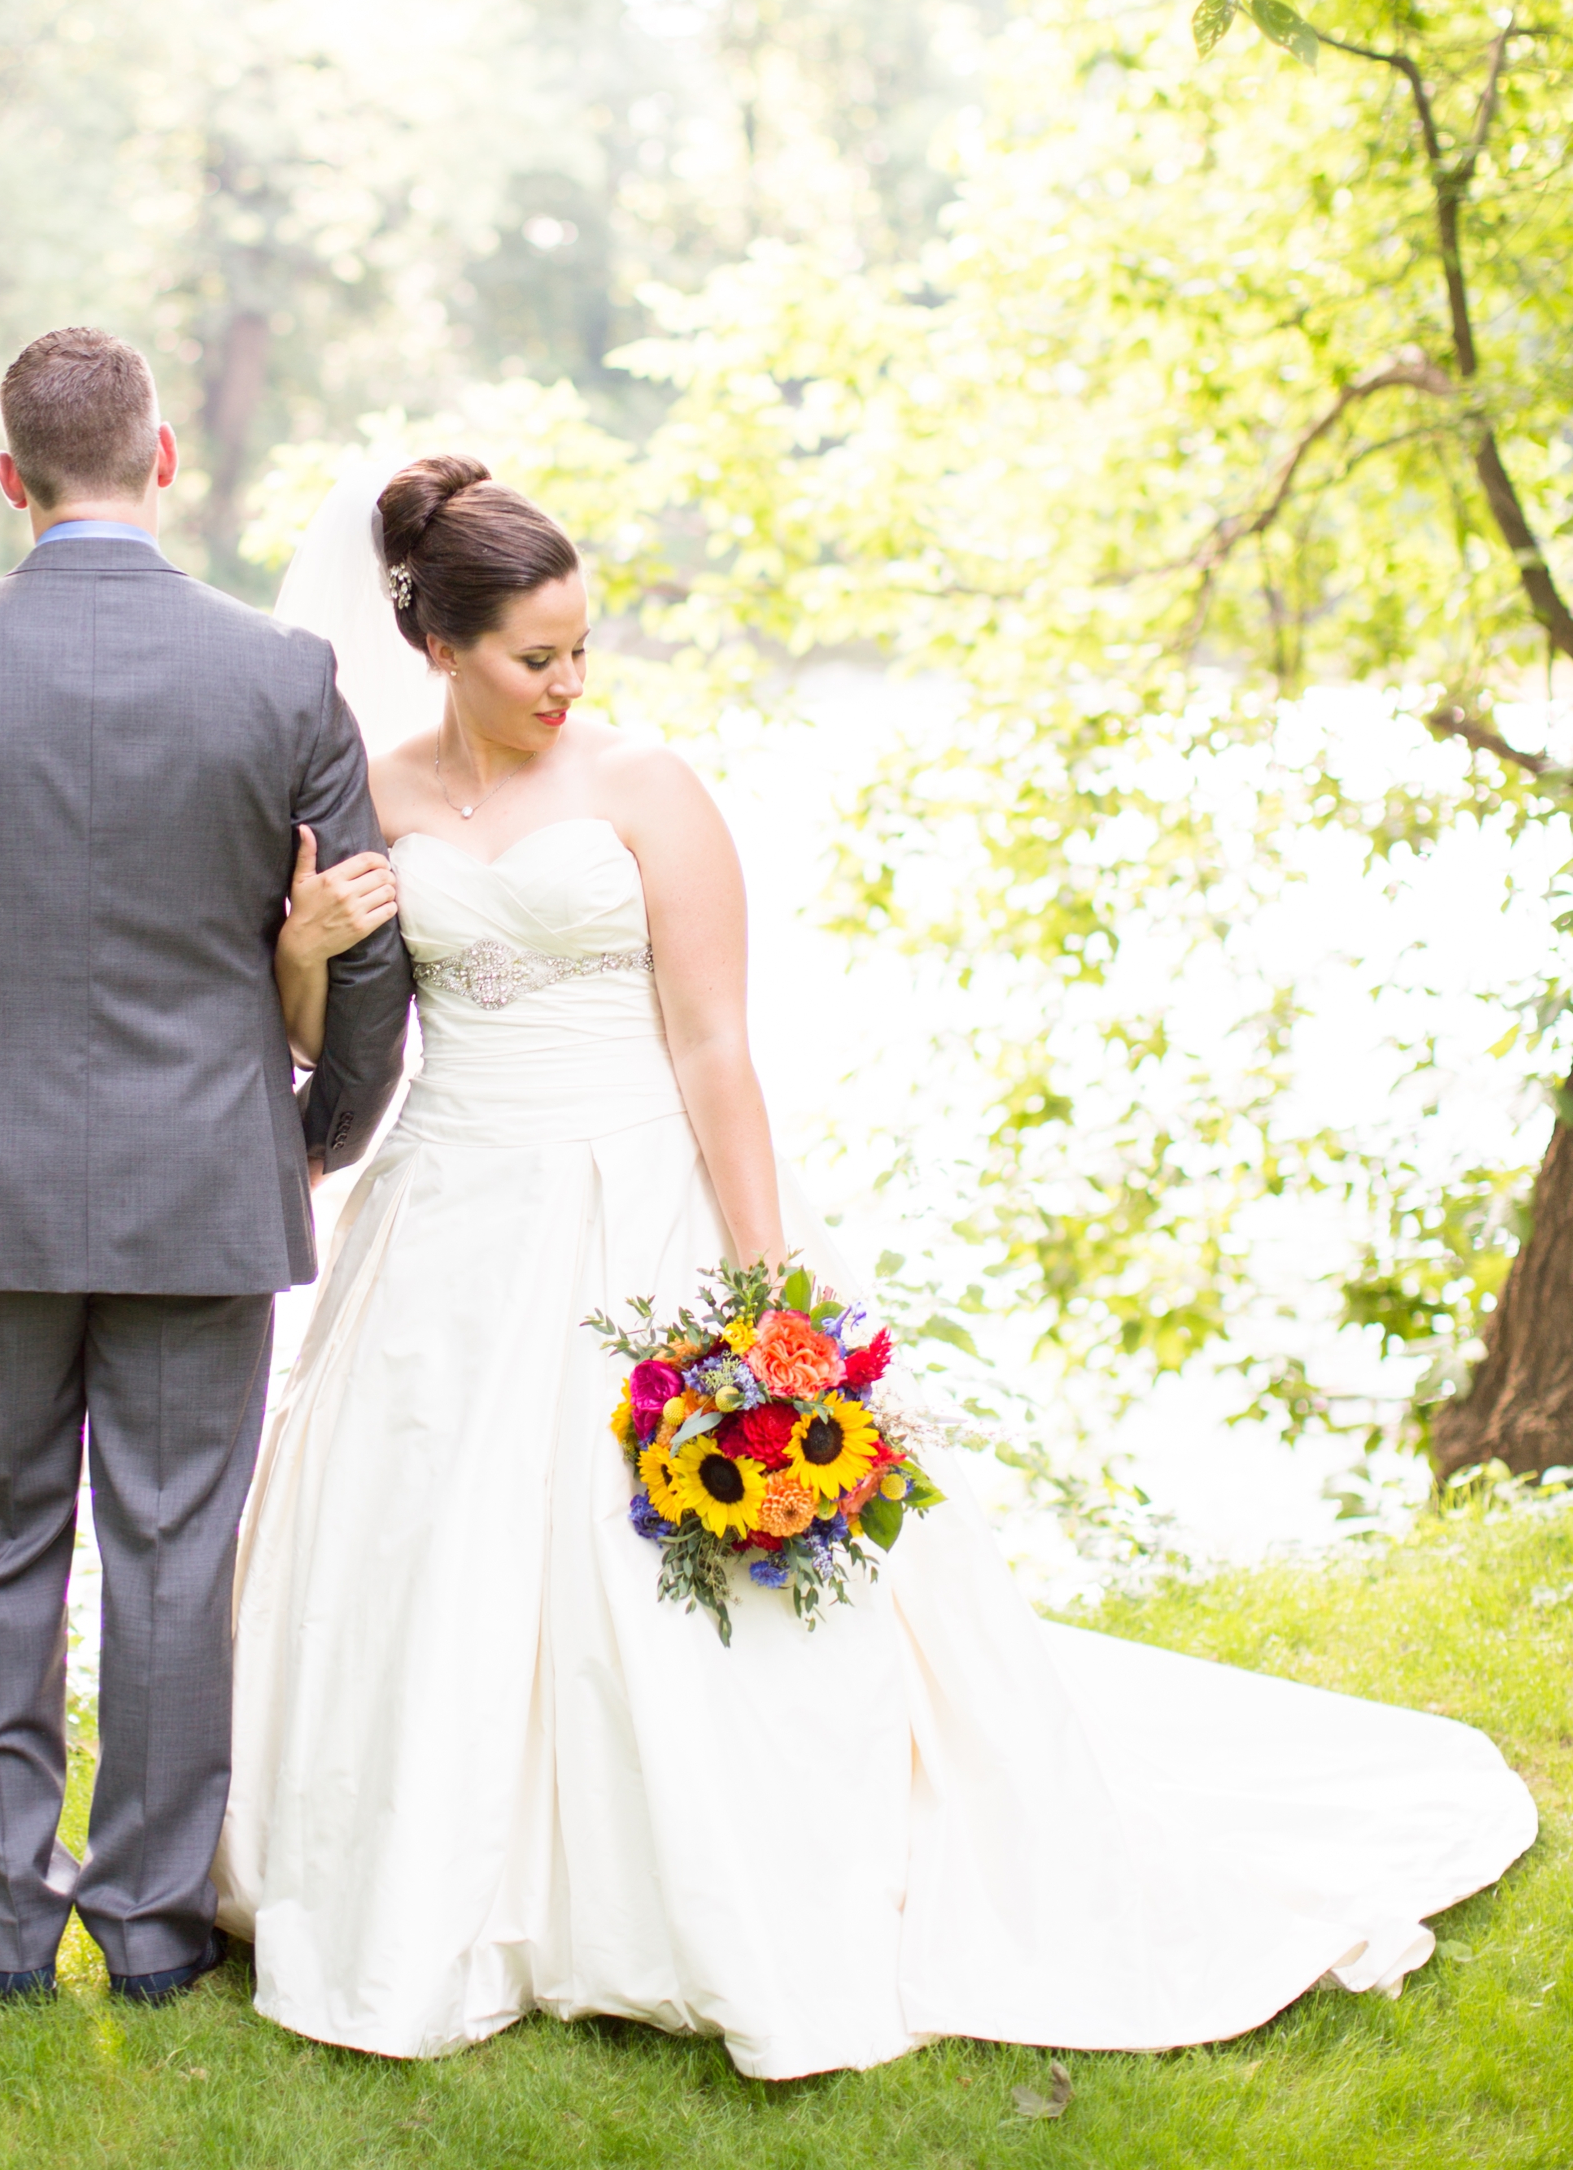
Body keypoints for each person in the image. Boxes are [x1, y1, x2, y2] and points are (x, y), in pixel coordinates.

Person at [214, 452, 1537, 2078]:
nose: (572, 683)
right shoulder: (380, 797)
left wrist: (769, 1299)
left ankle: (719, 1885)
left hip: (644, 1201)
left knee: (676, 1583)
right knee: (426, 1548)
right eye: (535, 657)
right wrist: (300, 947)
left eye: (581, 647)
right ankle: (429, 1881)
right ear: (438, 644)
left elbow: (714, 1045)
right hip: (445, 1212)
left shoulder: (648, 788)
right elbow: (338, 1046)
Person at [0, 326, 412, 2003]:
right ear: (163, 462)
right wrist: (311, 1139)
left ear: (12, 478)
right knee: (172, 1553)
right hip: (206, 1185)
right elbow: (367, 948)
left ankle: (3, 1923)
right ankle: (148, 1928)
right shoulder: (283, 678)